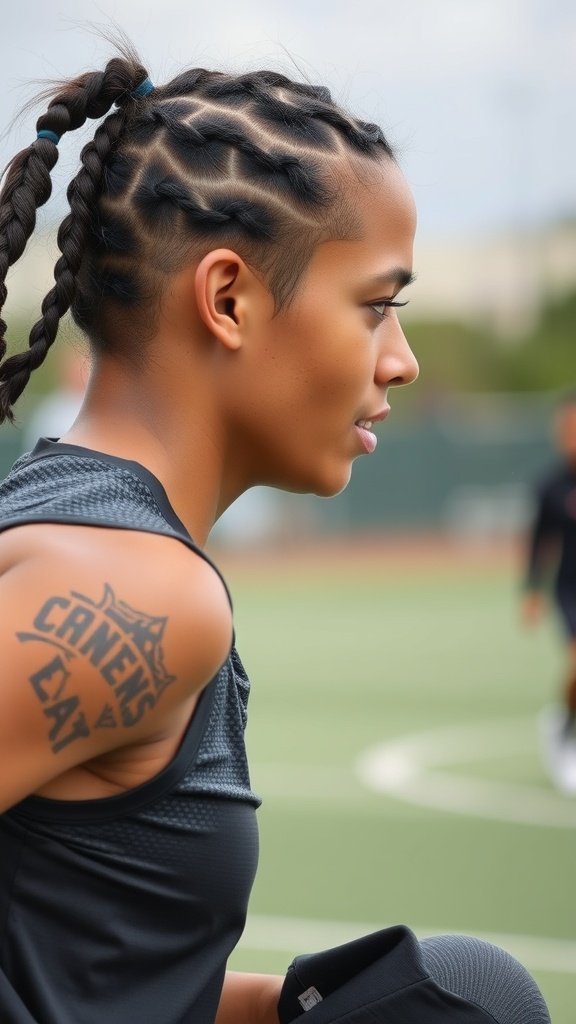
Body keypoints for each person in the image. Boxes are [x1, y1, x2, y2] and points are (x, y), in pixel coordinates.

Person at [0, 41, 550, 1024]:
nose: (403, 360)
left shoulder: (89, 534)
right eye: (377, 307)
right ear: (228, 299)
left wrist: (289, 1007)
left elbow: (76, 975)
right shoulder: (142, 593)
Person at [522, 392, 576, 793]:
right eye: (564, 428)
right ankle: (565, 731)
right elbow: (541, 542)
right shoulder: (550, 486)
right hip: (570, 589)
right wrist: (531, 591)